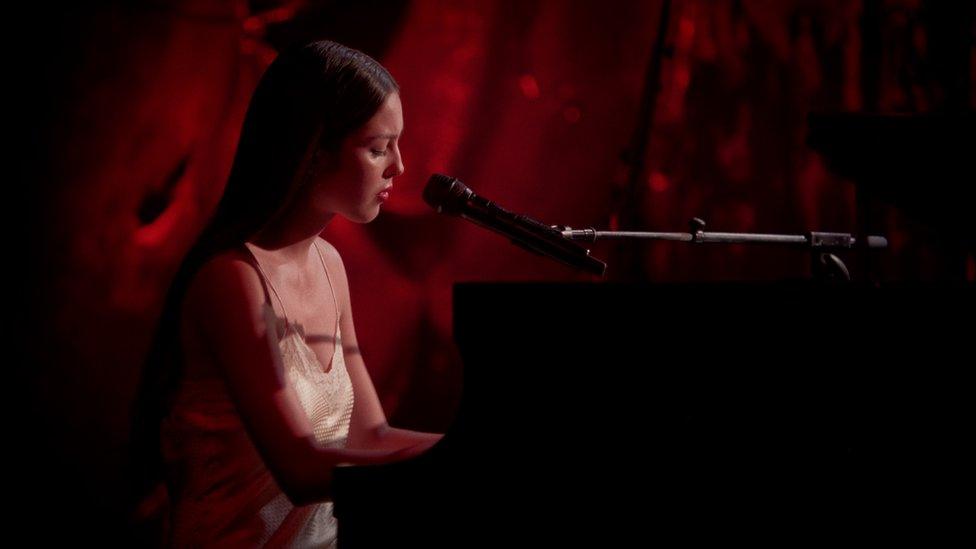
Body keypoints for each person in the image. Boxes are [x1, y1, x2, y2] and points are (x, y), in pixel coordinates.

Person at [125, 40, 443, 547]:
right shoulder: (234, 279)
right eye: (378, 148)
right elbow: (302, 471)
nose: (398, 168)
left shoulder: (330, 264)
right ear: (314, 152)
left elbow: (369, 435)